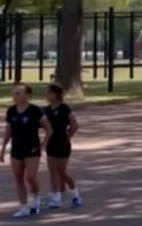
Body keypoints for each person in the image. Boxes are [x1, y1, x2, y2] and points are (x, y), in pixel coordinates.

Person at [2, 84, 48, 218]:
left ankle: (36, 200)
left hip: (32, 148)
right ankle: (23, 207)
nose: (15, 96)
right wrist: (3, 147)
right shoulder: (11, 111)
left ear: (28, 95)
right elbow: (8, 131)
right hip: (16, 148)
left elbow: (49, 129)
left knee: (31, 177)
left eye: (18, 93)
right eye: (14, 93)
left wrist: (43, 144)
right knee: (18, 178)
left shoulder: (35, 110)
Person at [43, 84, 82, 210]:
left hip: (62, 143)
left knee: (62, 172)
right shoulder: (47, 110)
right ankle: (56, 198)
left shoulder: (64, 108)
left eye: (50, 93)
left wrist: (68, 136)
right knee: (52, 171)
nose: (47, 95)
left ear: (56, 94)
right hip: (51, 143)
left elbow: (74, 124)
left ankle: (75, 194)